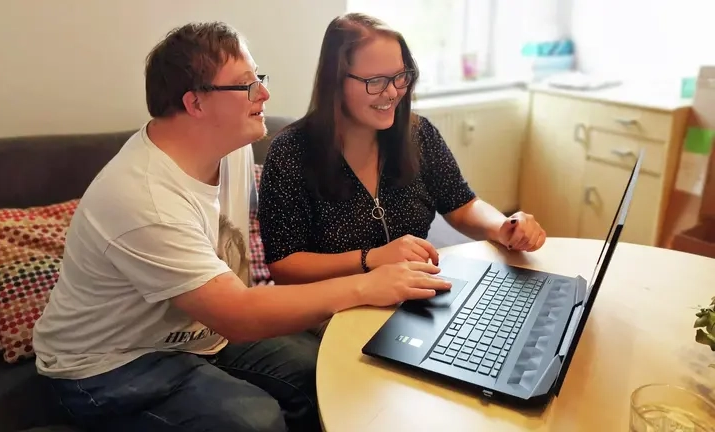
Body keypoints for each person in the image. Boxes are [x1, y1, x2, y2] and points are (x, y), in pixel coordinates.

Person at [32, 21, 452, 432]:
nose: (265, 94)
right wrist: (367, 282)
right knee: (255, 420)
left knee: (321, 372)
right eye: (247, 85)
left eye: (260, 79)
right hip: (106, 368)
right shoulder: (142, 198)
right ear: (196, 103)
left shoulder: (230, 147)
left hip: (198, 334)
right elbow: (237, 315)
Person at [257, 13, 547, 288]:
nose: (393, 92)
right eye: (376, 81)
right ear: (336, 82)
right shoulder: (290, 152)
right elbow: (284, 267)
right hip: (334, 308)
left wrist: (504, 226)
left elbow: (462, 204)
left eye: (400, 76)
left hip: (412, 294)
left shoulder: (418, 134)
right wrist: (370, 259)